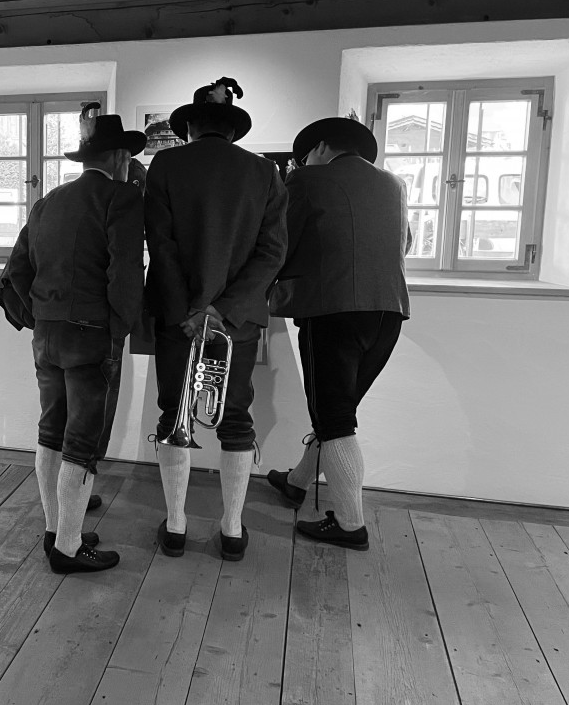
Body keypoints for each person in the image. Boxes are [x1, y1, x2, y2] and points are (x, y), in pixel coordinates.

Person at [145, 78, 287, 562]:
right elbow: (272, 253)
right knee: (236, 418)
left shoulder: (165, 164)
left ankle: (178, 525)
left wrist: (191, 311)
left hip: (176, 317)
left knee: (174, 415)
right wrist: (222, 310)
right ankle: (230, 530)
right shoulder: (265, 172)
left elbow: (159, 246)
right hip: (237, 321)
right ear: (233, 131)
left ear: (189, 126)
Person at [0, 113, 145, 574]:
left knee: (51, 430)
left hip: (48, 335)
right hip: (92, 334)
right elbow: (125, 273)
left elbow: (15, 272)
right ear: (121, 157)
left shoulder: (47, 202)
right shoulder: (121, 198)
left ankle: (56, 527)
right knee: (82, 441)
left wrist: (40, 316)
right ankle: (67, 547)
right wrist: (119, 328)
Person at [266, 117, 411, 551]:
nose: (303, 162)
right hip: (389, 313)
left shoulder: (308, 180)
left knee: (335, 421)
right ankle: (295, 483)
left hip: (332, 311)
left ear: (323, 148)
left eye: (305, 155)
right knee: (338, 411)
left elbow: (281, 243)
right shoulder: (394, 185)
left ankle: (350, 525)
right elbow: (403, 243)